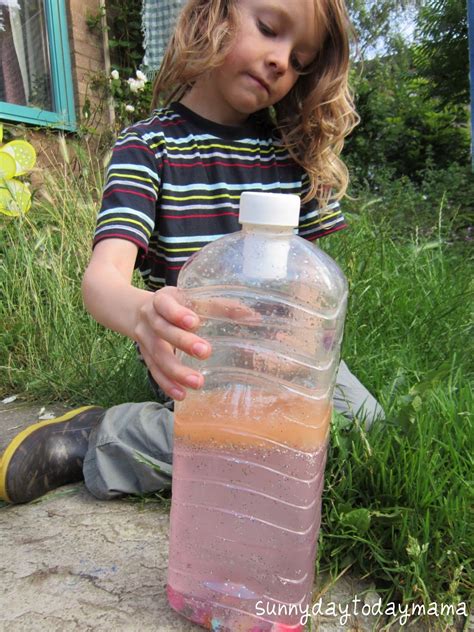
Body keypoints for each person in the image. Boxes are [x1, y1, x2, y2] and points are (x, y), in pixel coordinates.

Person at [0, 0, 385, 505]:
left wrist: (302, 334)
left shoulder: (292, 158)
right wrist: (143, 313)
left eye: (299, 61)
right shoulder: (149, 148)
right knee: (270, 437)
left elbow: (308, 283)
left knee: (366, 429)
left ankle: (161, 438)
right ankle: (101, 438)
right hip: (201, 361)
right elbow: (102, 281)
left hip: (287, 365)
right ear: (212, 14)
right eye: (269, 29)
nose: (280, 61)